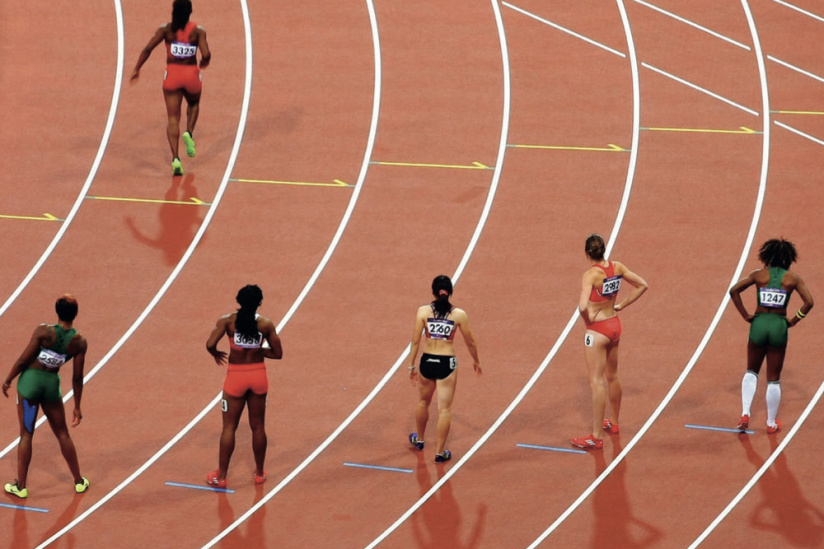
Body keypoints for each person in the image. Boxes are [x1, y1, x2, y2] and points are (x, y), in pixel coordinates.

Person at [2, 295, 90, 498]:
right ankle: (78, 481)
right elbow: (77, 377)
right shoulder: (79, 342)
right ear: (75, 314)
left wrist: (8, 379)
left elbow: (23, 359)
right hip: (51, 387)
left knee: (26, 435)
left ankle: (21, 487)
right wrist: (77, 406)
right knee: (63, 434)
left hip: (29, 386)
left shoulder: (44, 331)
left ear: (56, 311)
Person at [729, 238, 813, 434]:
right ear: (789, 259)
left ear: (766, 256)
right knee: (773, 378)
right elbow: (809, 302)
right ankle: (770, 423)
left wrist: (745, 315)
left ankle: (745, 414)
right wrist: (794, 320)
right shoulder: (793, 279)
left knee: (751, 371)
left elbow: (734, 291)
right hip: (778, 325)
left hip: (758, 324)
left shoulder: (758, 275)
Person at [572, 234, 648, 450]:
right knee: (613, 376)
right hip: (614, 325)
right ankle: (614, 422)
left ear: (587, 254)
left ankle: (596, 436)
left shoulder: (590, 275)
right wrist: (622, 305)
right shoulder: (617, 267)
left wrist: (588, 320)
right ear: (604, 250)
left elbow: (582, 306)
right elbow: (642, 285)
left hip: (597, 330)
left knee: (596, 381)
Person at [206, 285, 282, 488]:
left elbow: (210, 344)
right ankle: (259, 474)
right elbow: (277, 353)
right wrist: (259, 351)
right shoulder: (266, 324)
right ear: (260, 303)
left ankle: (222, 477)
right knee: (258, 426)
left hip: (235, 378)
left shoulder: (227, 321)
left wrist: (216, 354)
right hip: (258, 376)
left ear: (238, 301)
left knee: (229, 428)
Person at [130, 0, 211, 176]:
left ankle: (175, 159)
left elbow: (148, 48)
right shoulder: (198, 31)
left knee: (173, 119)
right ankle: (189, 132)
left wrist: (137, 68)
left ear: (173, 12)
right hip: (191, 74)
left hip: (172, 75)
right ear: (190, 12)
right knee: (194, 104)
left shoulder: (165, 30)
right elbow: (206, 54)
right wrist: (204, 62)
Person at [408, 275, 481, 463]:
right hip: (446, 363)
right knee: (445, 410)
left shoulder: (423, 311)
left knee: (423, 402)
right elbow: (470, 342)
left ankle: (420, 440)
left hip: (427, 361)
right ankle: (440, 453)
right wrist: (476, 361)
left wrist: (411, 365)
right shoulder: (459, 315)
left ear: (433, 292)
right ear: (450, 292)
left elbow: (415, 341)